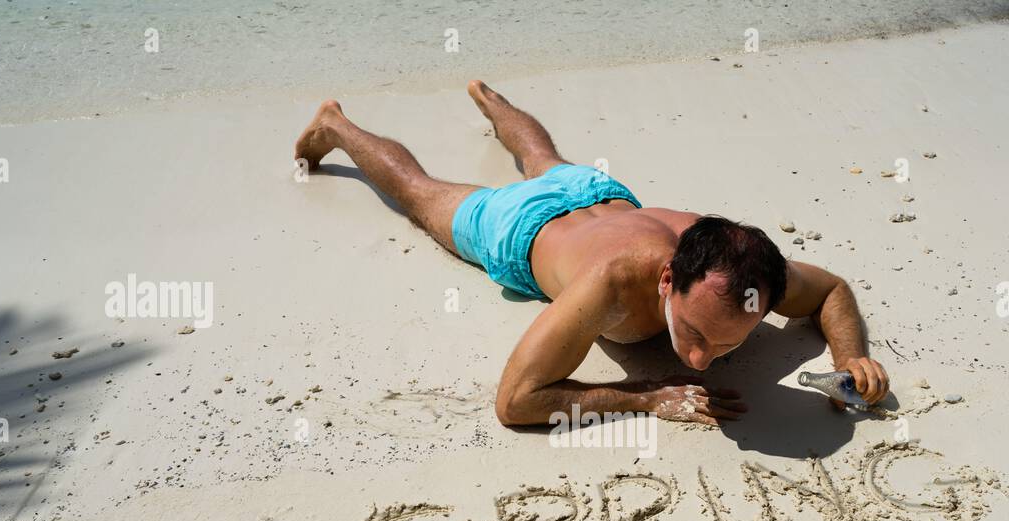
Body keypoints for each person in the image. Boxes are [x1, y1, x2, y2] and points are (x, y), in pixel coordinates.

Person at [294, 82, 890, 426]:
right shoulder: (609, 286)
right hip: (522, 228)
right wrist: (645, 396)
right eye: (693, 333)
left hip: (600, 195)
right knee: (419, 194)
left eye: (729, 342)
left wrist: (851, 356)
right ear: (665, 280)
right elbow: (516, 402)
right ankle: (336, 125)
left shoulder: (746, 272)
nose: (704, 362)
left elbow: (832, 289)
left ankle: (490, 99)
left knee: (545, 159)